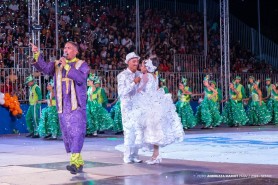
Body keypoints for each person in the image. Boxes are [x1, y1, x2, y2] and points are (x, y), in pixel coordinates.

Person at [30, 42, 90, 174]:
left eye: (69, 48)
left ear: (76, 52)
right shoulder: (57, 64)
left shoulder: (82, 64)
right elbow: (45, 68)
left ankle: (74, 162)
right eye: (65, 48)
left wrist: (67, 66)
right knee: (68, 134)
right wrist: (37, 53)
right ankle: (78, 163)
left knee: (77, 132)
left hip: (77, 105)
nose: (66, 50)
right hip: (63, 106)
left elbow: (81, 78)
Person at [131, 59, 184, 165]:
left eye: (142, 66)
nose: (140, 67)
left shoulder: (145, 76)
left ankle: (155, 156)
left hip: (150, 105)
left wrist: (134, 90)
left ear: (146, 67)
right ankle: (156, 155)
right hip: (155, 104)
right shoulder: (154, 76)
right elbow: (156, 88)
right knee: (155, 131)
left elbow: (141, 89)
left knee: (151, 130)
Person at [117, 52, 142, 164]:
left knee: (138, 131)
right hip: (127, 106)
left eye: (137, 61)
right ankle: (127, 156)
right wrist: (133, 83)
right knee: (128, 131)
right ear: (128, 62)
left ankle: (135, 155)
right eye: (134, 61)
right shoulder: (122, 75)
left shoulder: (140, 74)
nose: (136, 63)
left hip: (138, 105)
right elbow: (121, 92)